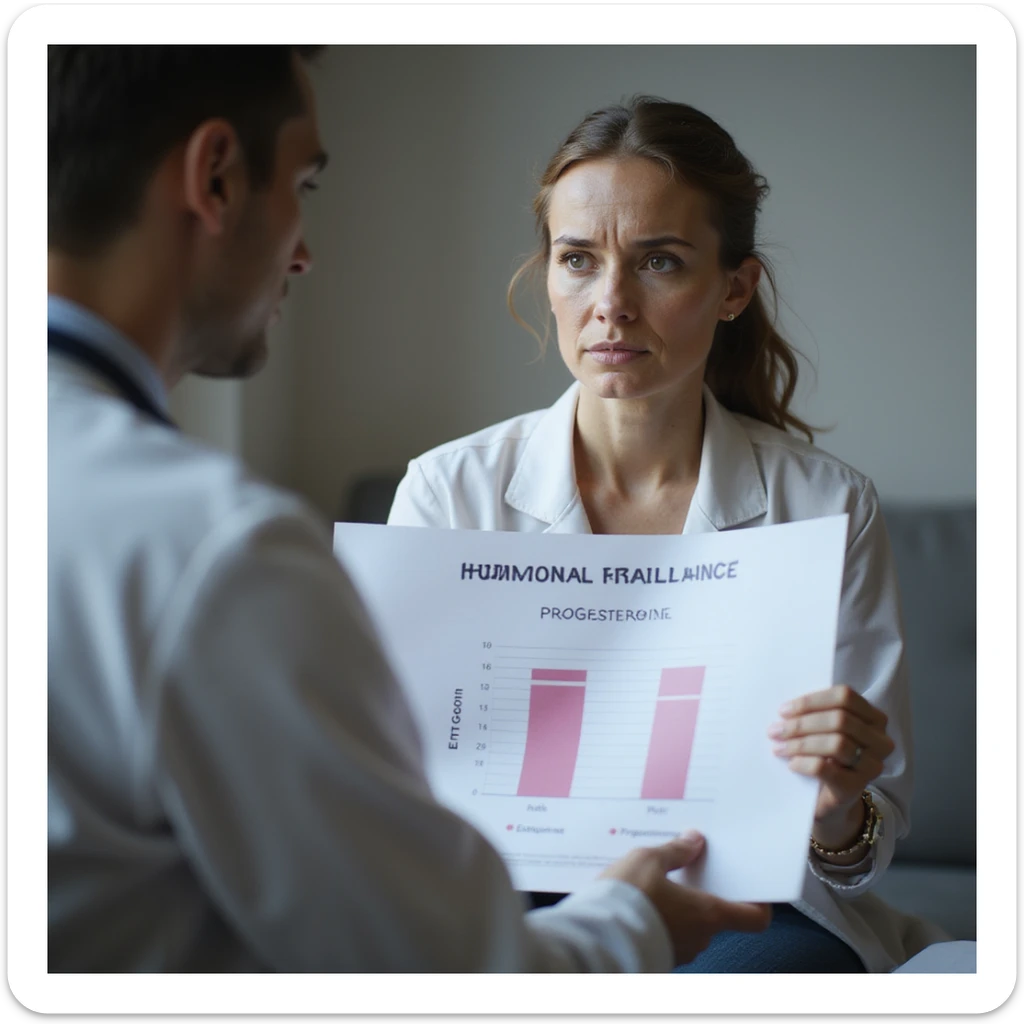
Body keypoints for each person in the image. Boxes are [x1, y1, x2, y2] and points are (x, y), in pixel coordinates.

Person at [46, 47, 772, 973]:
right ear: (217, 177)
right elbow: (425, 970)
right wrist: (632, 925)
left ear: (732, 289)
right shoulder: (219, 550)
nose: (304, 249)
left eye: (660, 262)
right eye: (303, 184)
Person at [387, 96, 930, 973]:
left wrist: (835, 809)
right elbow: (383, 782)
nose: (611, 304)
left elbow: (862, 855)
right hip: (501, 889)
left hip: (745, 906)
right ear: (549, 275)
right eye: (577, 260)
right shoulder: (447, 492)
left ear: (732, 290)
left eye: (660, 262)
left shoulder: (829, 508)